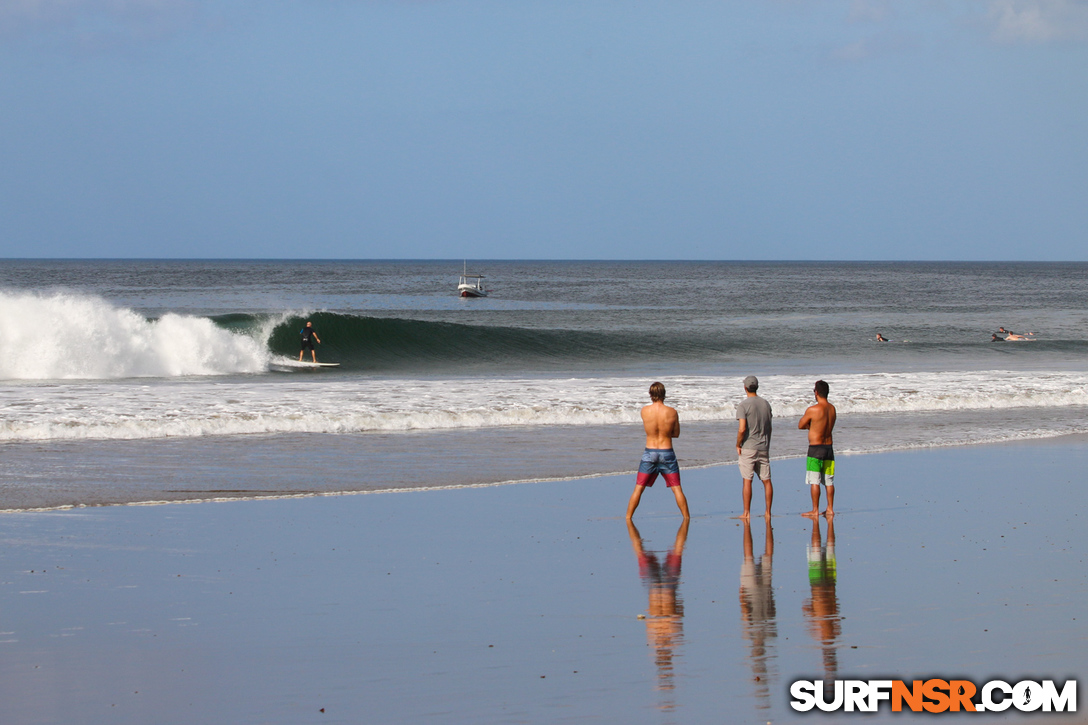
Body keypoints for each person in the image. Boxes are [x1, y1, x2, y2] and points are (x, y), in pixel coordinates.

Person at [626, 382, 690, 520]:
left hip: (650, 452)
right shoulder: (672, 412)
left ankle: (628, 517)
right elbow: (676, 433)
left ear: (650, 394)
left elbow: (649, 429)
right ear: (664, 394)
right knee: (676, 487)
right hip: (667, 452)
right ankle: (686, 518)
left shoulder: (644, 411)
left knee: (639, 487)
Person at [736, 375, 773, 520]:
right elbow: (769, 426)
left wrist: (738, 444)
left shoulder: (743, 405)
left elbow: (742, 429)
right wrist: (767, 443)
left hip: (749, 446)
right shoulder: (766, 404)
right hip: (763, 446)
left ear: (745, 388)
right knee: (767, 480)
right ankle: (768, 512)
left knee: (747, 479)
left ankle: (746, 512)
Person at [800, 380, 837, 518]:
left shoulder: (813, 409)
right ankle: (830, 508)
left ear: (816, 392)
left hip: (815, 448)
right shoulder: (832, 409)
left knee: (814, 480)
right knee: (829, 480)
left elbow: (800, 424)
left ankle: (815, 509)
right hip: (829, 448)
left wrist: (811, 426)